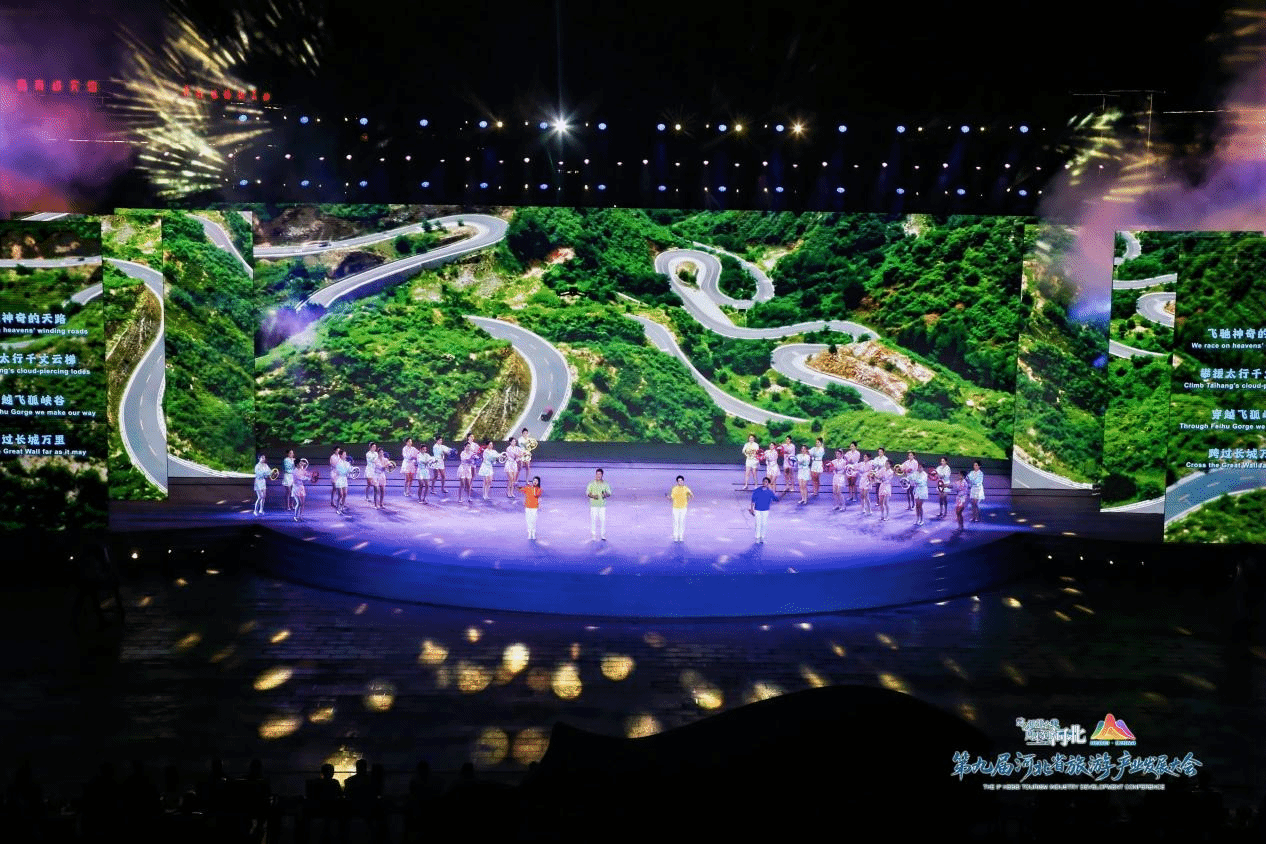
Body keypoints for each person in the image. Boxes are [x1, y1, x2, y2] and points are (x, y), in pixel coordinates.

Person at [749, 476, 777, 543]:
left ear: (768, 483)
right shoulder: (757, 490)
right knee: (758, 524)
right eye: (764, 481)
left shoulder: (770, 492)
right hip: (757, 509)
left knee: (764, 524)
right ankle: (757, 537)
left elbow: (775, 499)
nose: (764, 483)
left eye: (766, 482)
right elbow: (753, 500)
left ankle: (762, 537)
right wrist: (752, 509)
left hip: (765, 510)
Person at [586, 468, 611, 540]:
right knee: (593, 521)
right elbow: (587, 493)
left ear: (602, 475)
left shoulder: (605, 484)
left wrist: (605, 494)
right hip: (593, 505)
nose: (598, 476)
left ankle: (603, 535)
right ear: (595, 474)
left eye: (600, 474)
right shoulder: (591, 483)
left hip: (602, 505)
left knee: (603, 521)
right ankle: (593, 535)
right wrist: (593, 496)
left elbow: (609, 493)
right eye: (597, 474)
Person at [666, 475, 693, 541]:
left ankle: (681, 536)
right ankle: (675, 536)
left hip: (683, 508)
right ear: (677, 482)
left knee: (682, 522)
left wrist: (688, 500)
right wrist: (668, 497)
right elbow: (671, 498)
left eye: (681, 481)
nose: (680, 482)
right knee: (676, 522)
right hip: (675, 508)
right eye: (679, 481)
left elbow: (691, 495)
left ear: (683, 481)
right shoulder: (674, 489)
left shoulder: (686, 488)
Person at [457, 435, 479, 504]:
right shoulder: (463, 453)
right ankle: (460, 497)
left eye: (469, 446)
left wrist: (476, 458)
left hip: (468, 469)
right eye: (467, 446)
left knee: (469, 484)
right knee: (462, 484)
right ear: (465, 447)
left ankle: (469, 497)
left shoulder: (472, 453)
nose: (468, 447)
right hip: (463, 468)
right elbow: (465, 459)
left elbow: (475, 459)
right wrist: (471, 457)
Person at [910, 461, 929, 526]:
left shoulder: (925, 474)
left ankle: (921, 519)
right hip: (917, 490)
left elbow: (921, 482)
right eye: (918, 467)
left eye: (920, 467)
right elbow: (910, 477)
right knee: (917, 506)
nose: (919, 468)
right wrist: (909, 472)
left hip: (923, 491)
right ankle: (917, 519)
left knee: (920, 506)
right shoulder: (916, 473)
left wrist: (915, 480)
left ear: (923, 468)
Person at [333, 448, 351, 514]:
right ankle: (338, 508)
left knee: (345, 494)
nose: (345, 456)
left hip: (344, 479)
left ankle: (342, 507)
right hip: (339, 479)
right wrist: (347, 471)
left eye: (345, 454)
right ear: (340, 455)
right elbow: (339, 472)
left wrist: (350, 471)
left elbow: (349, 471)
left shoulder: (347, 463)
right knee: (340, 495)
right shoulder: (338, 463)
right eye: (344, 454)